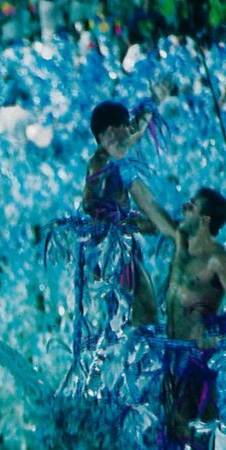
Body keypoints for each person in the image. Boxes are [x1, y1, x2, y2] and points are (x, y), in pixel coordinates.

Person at [82, 100, 176, 326]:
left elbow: (136, 130)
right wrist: (138, 222)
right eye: (126, 128)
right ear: (112, 131)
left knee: (140, 313)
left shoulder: (113, 148)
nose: (130, 134)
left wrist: (153, 102)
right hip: (111, 255)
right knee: (143, 313)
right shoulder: (102, 166)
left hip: (122, 248)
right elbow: (94, 210)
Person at [162, 188, 226, 447]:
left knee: (197, 435)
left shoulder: (217, 259)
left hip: (197, 362)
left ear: (205, 220)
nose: (184, 209)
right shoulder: (183, 249)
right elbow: (152, 209)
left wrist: (215, 332)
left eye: (191, 207)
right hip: (172, 358)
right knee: (173, 433)